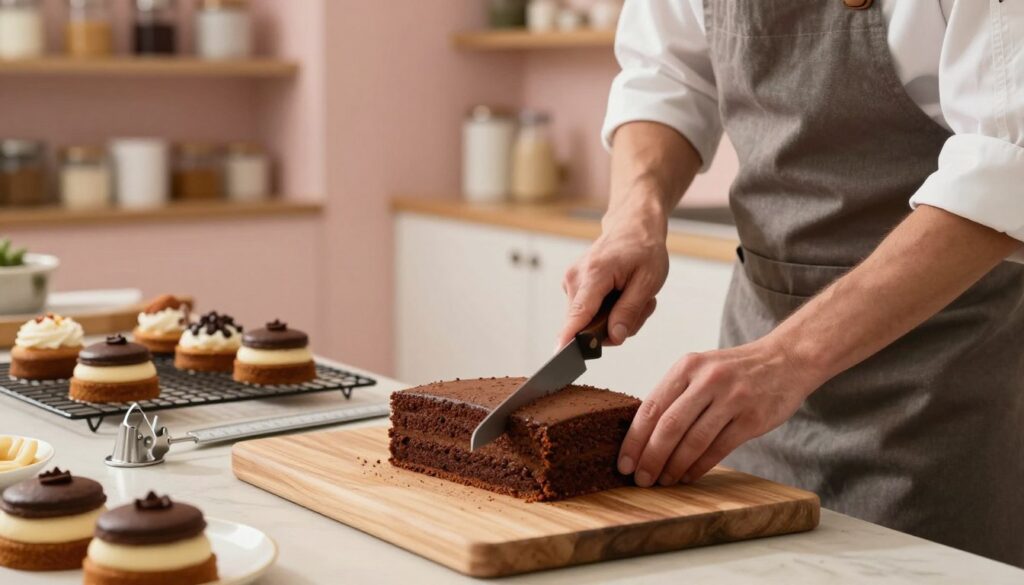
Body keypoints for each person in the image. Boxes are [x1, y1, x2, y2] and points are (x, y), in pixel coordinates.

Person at [555, 0, 1024, 567]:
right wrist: (633, 217)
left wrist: (786, 360)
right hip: (750, 386)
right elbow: (666, 78)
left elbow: (1007, 161)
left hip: (940, 391)